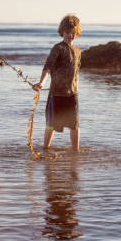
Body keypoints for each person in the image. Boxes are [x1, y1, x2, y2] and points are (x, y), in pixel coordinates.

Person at [32, 14, 82, 152]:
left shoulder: (78, 51)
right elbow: (48, 66)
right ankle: (45, 148)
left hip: (72, 93)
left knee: (74, 124)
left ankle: (75, 150)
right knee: (51, 124)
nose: (70, 36)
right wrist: (41, 83)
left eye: (73, 33)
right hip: (57, 93)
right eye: (67, 32)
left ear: (77, 33)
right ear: (62, 32)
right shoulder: (57, 48)